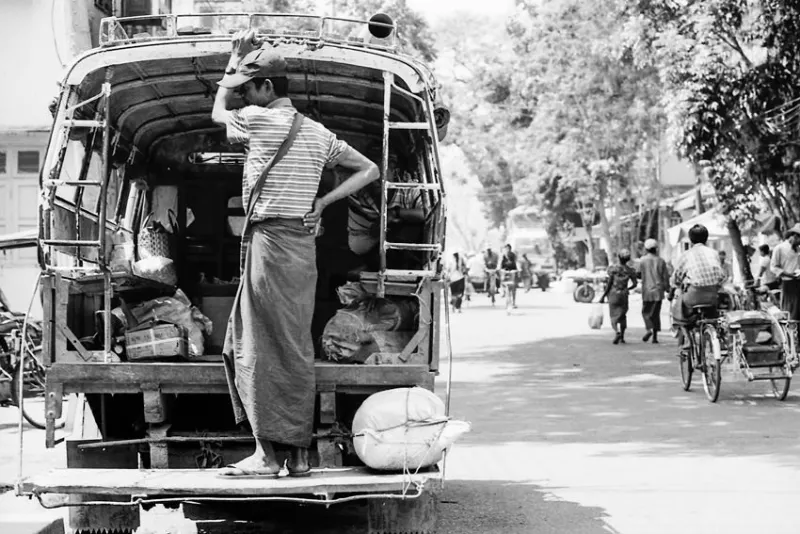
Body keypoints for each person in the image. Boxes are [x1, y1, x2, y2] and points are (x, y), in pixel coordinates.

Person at [212, 31, 379, 479]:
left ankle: (268, 456)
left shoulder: (258, 120)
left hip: (269, 243)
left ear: (268, 88)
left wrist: (232, 62)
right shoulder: (320, 134)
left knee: (255, 346)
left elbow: (217, 109)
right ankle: (298, 456)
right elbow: (370, 169)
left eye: (250, 87)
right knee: (290, 344)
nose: (244, 95)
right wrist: (324, 202)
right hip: (302, 249)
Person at [347, 151, 425, 270]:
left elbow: (427, 213)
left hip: (397, 251)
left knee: (411, 226)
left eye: (381, 173)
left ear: (395, 172)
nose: (375, 179)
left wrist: (395, 213)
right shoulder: (358, 191)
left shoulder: (409, 189)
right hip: (367, 248)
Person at [670, 224, 727, 345]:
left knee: (679, 305)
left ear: (690, 239)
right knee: (712, 315)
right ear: (706, 238)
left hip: (694, 295)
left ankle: (687, 337)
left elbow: (676, 278)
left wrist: (676, 284)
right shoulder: (714, 253)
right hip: (712, 295)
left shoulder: (686, 255)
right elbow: (722, 276)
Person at [600, 249, 638, 344]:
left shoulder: (612, 269)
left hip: (613, 294)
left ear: (619, 257)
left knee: (613, 316)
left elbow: (609, 284)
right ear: (628, 259)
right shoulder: (630, 270)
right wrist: (627, 289)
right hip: (624, 295)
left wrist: (603, 296)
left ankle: (616, 332)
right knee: (622, 315)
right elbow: (635, 284)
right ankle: (622, 337)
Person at [638, 239, 670, 343]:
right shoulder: (661, 261)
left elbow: (638, 274)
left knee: (646, 312)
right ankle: (655, 337)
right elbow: (665, 277)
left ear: (646, 249)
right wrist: (668, 289)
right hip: (658, 290)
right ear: (656, 249)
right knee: (656, 314)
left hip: (647, 290)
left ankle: (649, 329)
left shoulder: (642, 260)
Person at [770, 224, 800, 321]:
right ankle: (790, 332)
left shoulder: (798, 250)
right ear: (795, 236)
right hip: (788, 283)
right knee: (790, 310)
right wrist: (787, 274)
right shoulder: (780, 248)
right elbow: (773, 267)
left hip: (798, 282)